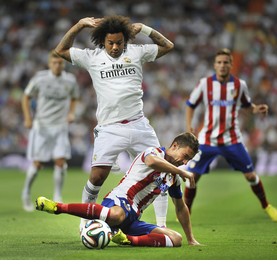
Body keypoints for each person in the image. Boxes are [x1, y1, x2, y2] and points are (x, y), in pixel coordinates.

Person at [54, 15, 174, 229]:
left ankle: (162, 226)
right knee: (97, 177)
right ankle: (86, 224)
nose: (116, 46)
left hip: (139, 125)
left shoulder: (137, 52)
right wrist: (79, 25)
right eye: (111, 42)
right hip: (110, 128)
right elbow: (60, 51)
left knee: (159, 173)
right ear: (103, 41)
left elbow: (168, 45)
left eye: (119, 42)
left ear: (125, 40)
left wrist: (145, 28)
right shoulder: (92, 57)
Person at [36, 132, 200, 247]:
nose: (185, 162)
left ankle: (127, 239)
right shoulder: (153, 152)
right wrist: (179, 171)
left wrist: (190, 238)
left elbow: (181, 208)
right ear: (175, 145)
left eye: (189, 160)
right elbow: (151, 162)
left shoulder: (173, 179)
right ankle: (58, 207)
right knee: (117, 215)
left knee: (175, 239)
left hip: (133, 218)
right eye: (185, 155)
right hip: (119, 201)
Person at [184, 48, 277, 221]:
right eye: (219, 62)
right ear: (215, 65)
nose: (222, 65)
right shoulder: (205, 84)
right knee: (192, 176)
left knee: (251, 175)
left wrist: (256, 109)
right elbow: (190, 104)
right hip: (207, 140)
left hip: (232, 139)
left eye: (226, 62)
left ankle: (267, 206)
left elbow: (247, 105)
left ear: (231, 65)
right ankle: (186, 211)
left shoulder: (239, 85)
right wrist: (190, 125)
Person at [21, 50, 79, 211]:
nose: (58, 65)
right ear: (49, 64)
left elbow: (74, 97)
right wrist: (27, 117)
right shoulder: (40, 79)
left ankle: (58, 196)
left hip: (60, 126)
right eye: (54, 62)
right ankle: (26, 192)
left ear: (64, 64)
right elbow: (26, 96)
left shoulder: (70, 80)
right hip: (42, 126)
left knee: (61, 161)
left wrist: (71, 113)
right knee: (38, 164)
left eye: (60, 63)